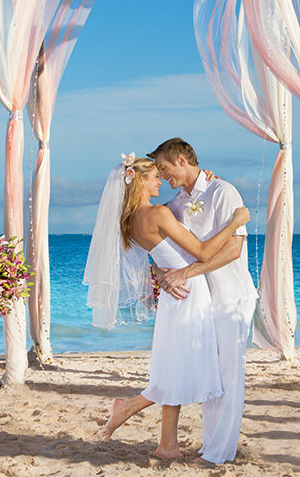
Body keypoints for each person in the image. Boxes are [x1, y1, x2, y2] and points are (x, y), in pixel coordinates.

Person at [87, 155, 249, 459]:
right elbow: (202, 251)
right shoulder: (158, 213)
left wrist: (202, 181)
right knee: (181, 369)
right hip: (188, 292)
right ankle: (131, 405)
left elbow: (162, 257)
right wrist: (234, 223)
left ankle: (167, 444)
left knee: (174, 366)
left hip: (175, 296)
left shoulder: (131, 220)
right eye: (154, 176)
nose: (160, 179)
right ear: (140, 181)